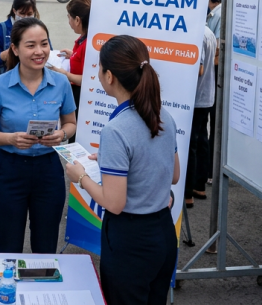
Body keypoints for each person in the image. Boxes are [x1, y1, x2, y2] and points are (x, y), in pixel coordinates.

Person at [63, 35, 180, 305]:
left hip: (130, 240)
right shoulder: (163, 114)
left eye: (99, 68)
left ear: (110, 76)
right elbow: (172, 175)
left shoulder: (116, 130)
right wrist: (110, 161)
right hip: (162, 232)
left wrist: (80, 177)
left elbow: (114, 203)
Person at [0, 17, 76, 253]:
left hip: (49, 170)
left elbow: (71, 123)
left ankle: (42, 288)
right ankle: (8, 290)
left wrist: (61, 135)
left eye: (44, 44)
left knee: (46, 244)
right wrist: (10, 138)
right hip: (10, 170)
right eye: (30, 45)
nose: (39, 51)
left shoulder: (61, 83)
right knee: (8, 243)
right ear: (15, 48)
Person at [186, 25, 216, 208]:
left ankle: (188, 194)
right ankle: (199, 186)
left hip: (196, 98)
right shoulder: (208, 32)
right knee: (202, 139)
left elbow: (199, 68)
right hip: (206, 95)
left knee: (190, 145)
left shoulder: (196, 33)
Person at [52, 0, 90, 127]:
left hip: (81, 96)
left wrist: (64, 74)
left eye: (69, 18)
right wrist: (72, 55)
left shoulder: (88, 44)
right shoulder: (83, 38)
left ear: (78, 20)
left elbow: (87, 79)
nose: (69, 22)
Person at [0, 0, 40, 77]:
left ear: (34, 12)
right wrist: (6, 55)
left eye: (29, 14)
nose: (26, 17)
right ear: (14, 11)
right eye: (22, 13)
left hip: (32, 79)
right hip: (7, 81)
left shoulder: (39, 29)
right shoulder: (2, 28)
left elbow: (49, 54)